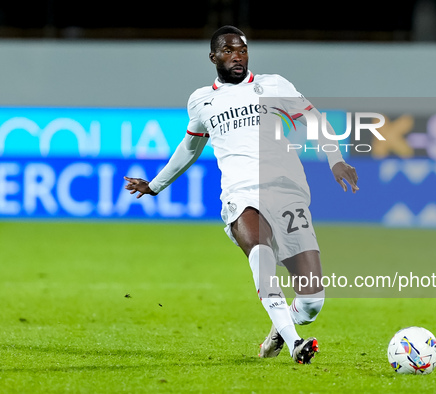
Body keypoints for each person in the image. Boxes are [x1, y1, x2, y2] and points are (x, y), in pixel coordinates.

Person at [124, 25, 358, 364]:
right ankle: (295, 344)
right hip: (241, 194)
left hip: (287, 193)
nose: (238, 56)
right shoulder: (202, 100)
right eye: (230, 50)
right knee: (262, 261)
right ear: (213, 57)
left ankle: (283, 327)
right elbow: (190, 146)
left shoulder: (274, 85)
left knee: (311, 301)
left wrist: (335, 160)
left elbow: (314, 119)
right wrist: (156, 184)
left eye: (243, 50)